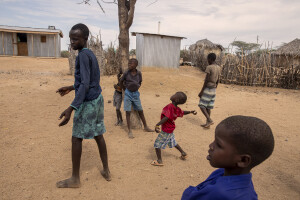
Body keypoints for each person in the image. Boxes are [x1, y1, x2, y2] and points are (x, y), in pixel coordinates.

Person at [56, 23, 110, 188]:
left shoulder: (82, 56)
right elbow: (89, 81)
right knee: (98, 134)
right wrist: (72, 87)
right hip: (97, 99)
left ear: (85, 39)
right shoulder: (89, 54)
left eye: (76, 39)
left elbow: (86, 84)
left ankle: (74, 179)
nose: (72, 42)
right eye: (71, 39)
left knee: (76, 138)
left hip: (88, 103)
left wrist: (71, 108)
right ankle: (106, 170)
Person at [181, 115, 275, 200]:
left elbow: (189, 197)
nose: (211, 146)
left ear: (243, 160)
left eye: (218, 145)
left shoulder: (220, 194)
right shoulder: (224, 173)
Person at [151, 92, 197, 166]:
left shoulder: (169, 107)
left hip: (166, 129)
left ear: (176, 99)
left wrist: (157, 125)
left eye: (175, 95)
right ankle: (183, 153)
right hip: (171, 129)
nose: (172, 95)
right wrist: (190, 112)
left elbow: (166, 117)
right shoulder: (176, 109)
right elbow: (182, 112)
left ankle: (159, 161)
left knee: (157, 145)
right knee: (173, 142)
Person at [120, 58, 154, 139]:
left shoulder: (139, 73)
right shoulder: (126, 73)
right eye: (129, 64)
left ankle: (145, 126)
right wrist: (125, 90)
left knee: (140, 110)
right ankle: (129, 131)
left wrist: (137, 87)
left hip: (135, 94)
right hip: (128, 94)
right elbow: (121, 82)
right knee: (128, 112)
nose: (129, 65)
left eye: (131, 64)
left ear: (136, 65)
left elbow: (140, 82)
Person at [198, 53, 221, 128]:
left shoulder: (209, 67)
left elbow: (206, 80)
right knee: (208, 106)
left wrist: (201, 91)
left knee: (201, 105)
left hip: (208, 88)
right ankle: (208, 124)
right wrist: (215, 87)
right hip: (214, 89)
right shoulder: (218, 67)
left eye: (208, 59)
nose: (207, 60)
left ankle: (209, 120)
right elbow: (218, 79)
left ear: (210, 59)